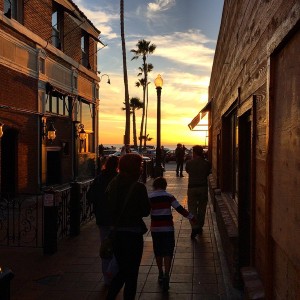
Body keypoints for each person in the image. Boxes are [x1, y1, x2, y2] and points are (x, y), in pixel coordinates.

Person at [105, 153, 150, 300]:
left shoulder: (113, 184)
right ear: (136, 169)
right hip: (133, 234)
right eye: (140, 166)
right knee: (131, 272)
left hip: (116, 234)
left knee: (123, 269)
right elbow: (145, 211)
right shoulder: (138, 187)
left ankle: (110, 296)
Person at [148, 177, 196, 292]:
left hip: (155, 229)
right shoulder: (169, 196)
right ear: (165, 186)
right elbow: (179, 209)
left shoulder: (149, 197)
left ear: (154, 185)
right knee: (168, 251)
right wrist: (191, 217)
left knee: (158, 250)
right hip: (168, 228)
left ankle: (160, 272)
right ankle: (166, 274)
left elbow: (144, 210)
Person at [86, 155, 119, 286]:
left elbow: (90, 196)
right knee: (117, 248)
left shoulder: (99, 179)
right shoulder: (118, 180)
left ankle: (107, 278)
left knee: (105, 248)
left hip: (102, 218)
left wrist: (99, 206)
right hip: (115, 219)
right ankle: (114, 274)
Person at [185, 145, 211, 239]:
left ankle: (194, 227)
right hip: (203, 187)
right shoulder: (206, 163)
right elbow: (208, 172)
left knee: (192, 208)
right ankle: (200, 226)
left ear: (194, 152)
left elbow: (188, 171)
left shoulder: (189, 163)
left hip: (192, 187)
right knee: (202, 208)